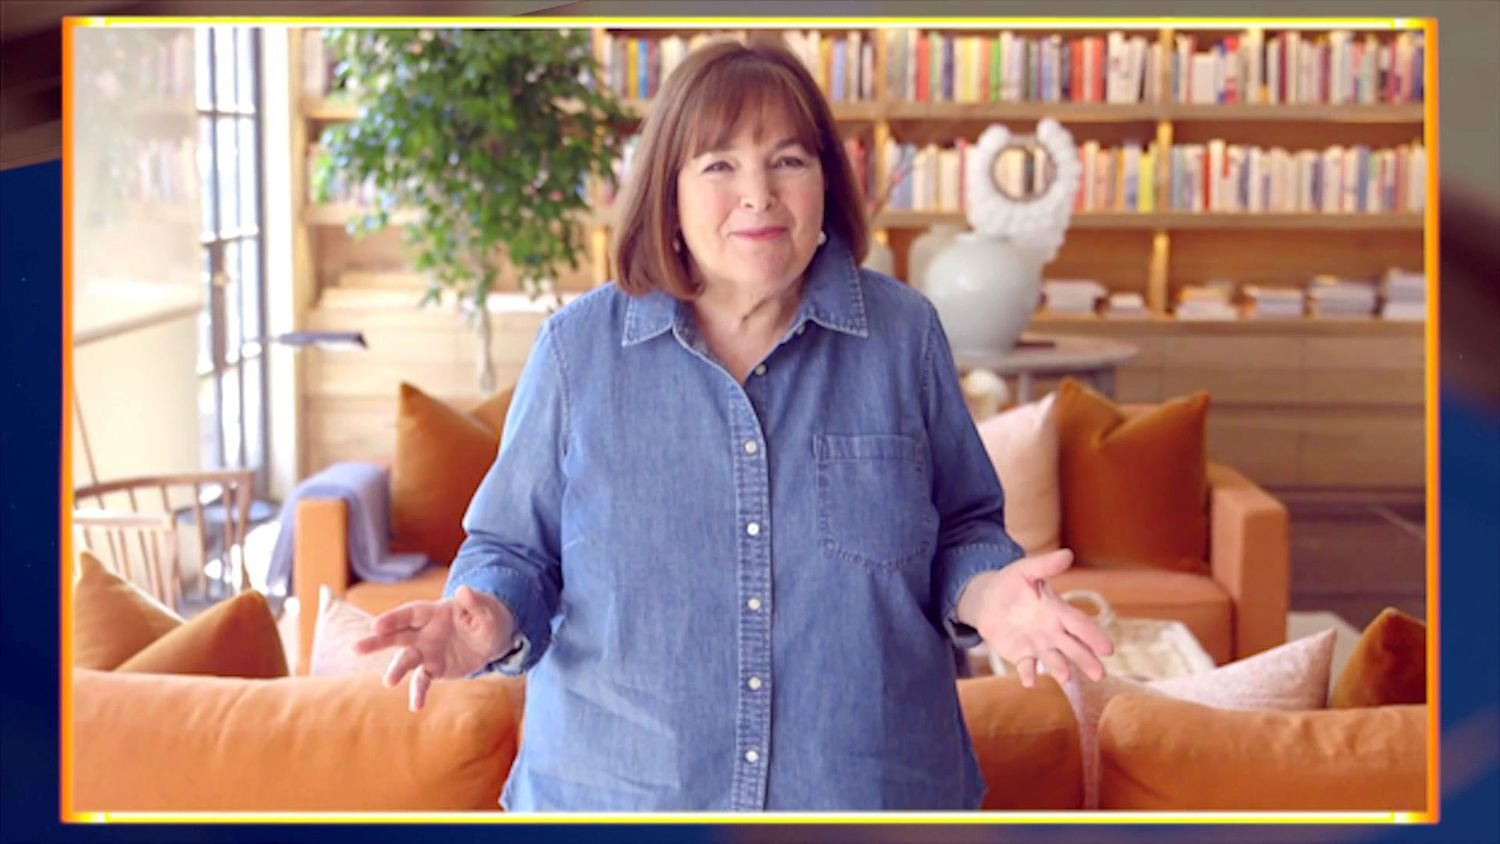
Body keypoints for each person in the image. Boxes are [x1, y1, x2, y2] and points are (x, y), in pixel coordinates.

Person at [353, 36, 1113, 812]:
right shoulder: (577, 350)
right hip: (621, 797)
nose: (759, 194)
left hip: (866, 794)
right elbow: (514, 548)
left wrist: (991, 596)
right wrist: (485, 615)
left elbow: (962, 529)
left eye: (788, 160)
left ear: (825, 182)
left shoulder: (903, 335)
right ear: (668, 192)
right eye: (719, 165)